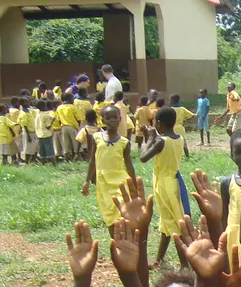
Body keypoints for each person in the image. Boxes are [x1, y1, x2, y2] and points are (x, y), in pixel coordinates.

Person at [141, 105, 191, 265]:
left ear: (159, 123)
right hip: (173, 181)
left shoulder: (160, 142)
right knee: (166, 221)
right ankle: (159, 259)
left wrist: (149, 138)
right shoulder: (179, 138)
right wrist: (151, 137)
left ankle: (184, 264)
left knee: (174, 225)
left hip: (164, 185)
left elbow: (143, 157)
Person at [81, 105, 136, 238]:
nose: (112, 120)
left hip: (120, 182)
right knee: (108, 214)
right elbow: (92, 161)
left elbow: (129, 165)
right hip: (103, 182)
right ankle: (115, 242)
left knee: (122, 210)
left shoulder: (124, 142)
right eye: (108, 118)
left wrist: (134, 186)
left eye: (114, 117)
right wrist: (87, 181)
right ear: (103, 120)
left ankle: (127, 241)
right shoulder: (96, 137)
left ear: (119, 119)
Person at [53, 91, 82, 163]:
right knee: (75, 143)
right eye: (72, 98)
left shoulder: (59, 108)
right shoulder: (73, 107)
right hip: (72, 127)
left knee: (65, 143)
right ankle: (77, 157)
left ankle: (66, 158)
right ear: (69, 99)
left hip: (63, 127)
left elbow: (58, 119)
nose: (73, 99)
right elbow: (78, 119)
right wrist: (78, 126)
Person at [0, 102, 18, 167]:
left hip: (0, 137)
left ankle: (4, 161)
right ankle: (14, 161)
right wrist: (18, 123)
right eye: (6, 109)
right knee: (12, 149)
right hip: (7, 137)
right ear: (3, 110)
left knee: (4, 151)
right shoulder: (4, 118)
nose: (7, 110)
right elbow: (11, 124)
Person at [36, 100, 56, 164]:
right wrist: (52, 121)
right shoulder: (46, 115)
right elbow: (48, 126)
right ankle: (54, 164)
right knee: (50, 150)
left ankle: (42, 164)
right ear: (43, 106)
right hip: (47, 134)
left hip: (39, 135)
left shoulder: (37, 115)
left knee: (42, 151)